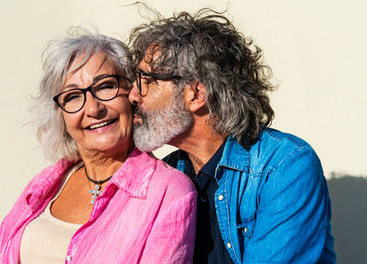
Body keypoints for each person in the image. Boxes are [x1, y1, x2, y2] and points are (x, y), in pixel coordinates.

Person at [128, 8, 336, 264]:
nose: (133, 95)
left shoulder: (284, 167)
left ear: (196, 94)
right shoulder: (167, 174)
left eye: (146, 81)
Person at [0, 29, 197, 264]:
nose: (93, 109)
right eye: (73, 96)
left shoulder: (169, 193)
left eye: (105, 86)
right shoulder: (44, 185)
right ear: (61, 117)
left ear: (131, 93)